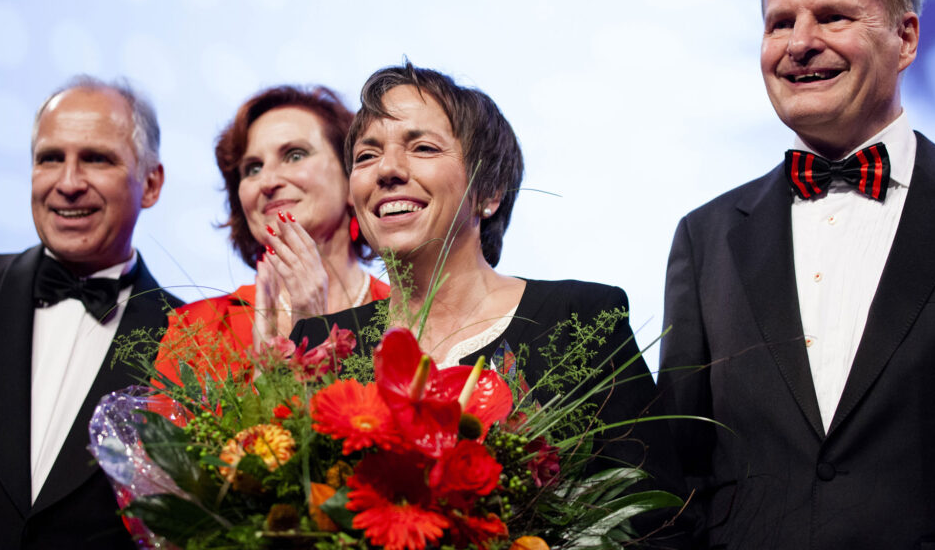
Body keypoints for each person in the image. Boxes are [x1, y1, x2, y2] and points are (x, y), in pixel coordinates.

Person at [292, 63, 689, 547]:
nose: (388, 171)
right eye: (366, 155)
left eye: (422, 147)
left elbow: (659, 523)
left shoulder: (578, 318)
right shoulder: (320, 345)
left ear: (489, 192)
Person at [658, 0, 935, 547]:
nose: (799, 43)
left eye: (833, 17)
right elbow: (677, 475)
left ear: (907, 39)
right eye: (780, 23)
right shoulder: (705, 236)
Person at [0, 76, 182, 548]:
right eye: (50, 158)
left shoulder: (194, 340)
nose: (68, 183)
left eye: (96, 159)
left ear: (150, 184)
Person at [156, 86, 389, 384]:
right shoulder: (196, 328)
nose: (267, 181)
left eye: (294, 155)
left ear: (352, 178)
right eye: (252, 169)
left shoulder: (409, 318)